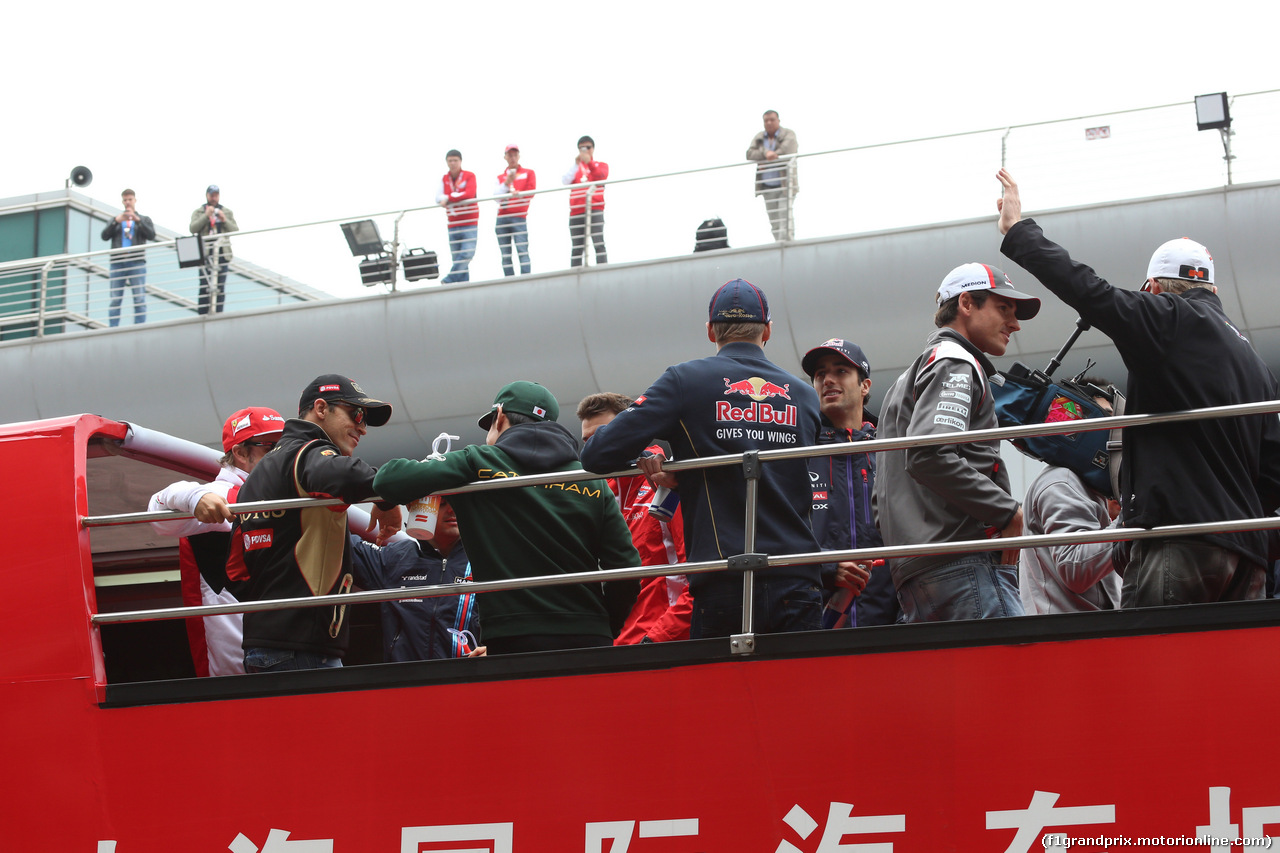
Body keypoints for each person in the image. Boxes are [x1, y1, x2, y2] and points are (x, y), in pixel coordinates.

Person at [997, 168, 1280, 608]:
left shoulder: (1167, 318)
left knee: (1152, 672)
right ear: (1213, 287)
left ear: (1152, 289)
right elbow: (1273, 474)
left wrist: (1018, 231)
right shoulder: (1255, 364)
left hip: (1179, 542)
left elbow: (1088, 289)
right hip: (1249, 559)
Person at [581, 279, 825, 638]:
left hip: (722, 580)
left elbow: (598, 453)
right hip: (798, 579)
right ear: (769, 331)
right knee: (797, 694)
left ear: (711, 331)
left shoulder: (685, 380)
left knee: (724, 695)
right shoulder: (804, 396)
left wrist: (662, 456)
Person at [374, 381, 640, 655]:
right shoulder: (588, 479)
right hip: (590, 635)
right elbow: (626, 566)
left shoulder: (477, 462)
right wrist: (606, 624)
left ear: (499, 416)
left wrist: (387, 504)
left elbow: (389, 479)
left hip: (513, 637)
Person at [874, 262, 1041, 623]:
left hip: (918, 573)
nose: (1014, 324)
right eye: (1003, 309)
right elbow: (929, 455)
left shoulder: (907, 377)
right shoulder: (954, 361)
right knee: (1012, 676)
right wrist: (1008, 513)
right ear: (966, 303)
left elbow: (881, 494)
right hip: (961, 564)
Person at [230, 375, 402, 673]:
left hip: (263, 646)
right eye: (357, 414)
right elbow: (348, 476)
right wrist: (388, 499)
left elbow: (236, 572)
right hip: (302, 650)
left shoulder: (257, 475)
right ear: (321, 408)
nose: (362, 427)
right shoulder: (308, 453)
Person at [149, 406, 286, 676]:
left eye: (285, 446)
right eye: (270, 446)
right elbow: (157, 513)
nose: (281, 455)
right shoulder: (218, 494)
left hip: (287, 654)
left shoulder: (286, 492)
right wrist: (193, 497)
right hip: (239, 671)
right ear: (240, 453)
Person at [577, 392, 692, 644]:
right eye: (587, 441)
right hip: (616, 641)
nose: (594, 446)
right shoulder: (596, 491)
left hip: (663, 641)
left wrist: (659, 638)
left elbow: (698, 572)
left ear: (632, 430)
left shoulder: (668, 479)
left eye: (602, 434)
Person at [801, 338, 899, 627]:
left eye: (841, 371)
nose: (828, 379)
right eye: (820, 374)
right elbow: (775, 534)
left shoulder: (892, 449)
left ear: (865, 385)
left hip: (893, 626)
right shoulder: (797, 453)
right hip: (815, 626)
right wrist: (828, 567)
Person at [1019, 380, 1125, 614]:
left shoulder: (1086, 486)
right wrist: (1132, 519)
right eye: (1106, 417)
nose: (1116, 430)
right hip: (1065, 639)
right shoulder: (1062, 481)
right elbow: (1075, 569)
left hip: (1086, 635)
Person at [349, 499, 485, 660]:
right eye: (441, 503)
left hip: (472, 681)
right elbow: (334, 539)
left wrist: (497, 652)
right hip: (406, 681)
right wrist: (384, 502)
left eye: (458, 501)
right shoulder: (394, 558)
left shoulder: (488, 560)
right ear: (414, 506)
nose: (452, 510)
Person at [101, 188, 156, 327]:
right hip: (118, 262)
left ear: (135, 200)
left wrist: (138, 221)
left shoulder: (143, 219)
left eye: (130, 199)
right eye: (125, 200)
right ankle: (113, 327)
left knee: (139, 298)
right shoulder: (117, 220)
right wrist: (115, 221)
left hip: (136, 262)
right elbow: (104, 236)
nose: (127, 203)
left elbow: (151, 235)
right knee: (115, 299)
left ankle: (139, 326)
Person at [745, 110, 798, 242]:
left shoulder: (789, 134)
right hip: (767, 187)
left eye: (772, 120)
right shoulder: (759, 138)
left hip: (784, 185)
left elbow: (787, 151)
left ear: (778, 121)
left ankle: (786, 246)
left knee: (785, 218)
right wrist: (766, 154)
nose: (769, 123)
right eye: (766, 120)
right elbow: (750, 154)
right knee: (774, 221)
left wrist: (768, 158)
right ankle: (778, 245)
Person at [188, 184, 238, 315]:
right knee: (204, 284)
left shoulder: (226, 211)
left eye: (216, 195)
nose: (213, 197)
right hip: (205, 253)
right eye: (211, 195)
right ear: (207, 196)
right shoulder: (199, 212)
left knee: (220, 285)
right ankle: (203, 314)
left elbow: (235, 230)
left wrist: (224, 219)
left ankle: (218, 313)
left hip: (222, 253)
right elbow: (193, 228)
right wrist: (206, 216)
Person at [562, 135, 608, 267]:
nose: (585, 150)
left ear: (593, 149)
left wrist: (590, 163)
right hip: (576, 210)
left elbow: (601, 176)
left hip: (595, 208)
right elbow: (565, 181)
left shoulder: (601, 165)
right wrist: (576, 164)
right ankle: (575, 274)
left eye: (588, 147)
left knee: (598, 242)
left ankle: (603, 269)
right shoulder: (576, 168)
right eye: (582, 148)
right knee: (577, 247)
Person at [437, 150, 479, 283]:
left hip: (469, 221)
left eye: (455, 160)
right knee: (458, 258)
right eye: (450, 160)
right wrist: (454, 197)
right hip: (453, 223)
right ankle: (463, 286)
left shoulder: (469, 176)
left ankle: (450, 279)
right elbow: (437, 198)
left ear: (460, 161)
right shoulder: (444, 178)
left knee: (467, 254)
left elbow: (469, 194)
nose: (453, 163)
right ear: (447, 162)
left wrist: (449, 198)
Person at [494, 144, 535, 277]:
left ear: (519, 156)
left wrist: (518, 195)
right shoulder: (501, 177)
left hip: (519, 217)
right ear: (505, 157)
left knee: (522, 251)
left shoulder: (528, 172)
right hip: (502, 218)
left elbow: (530, 192)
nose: (512, 158)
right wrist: (507, 184)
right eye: (509, 155)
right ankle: (509, 280)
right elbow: (496, 198)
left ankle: (525, 279)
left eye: (514, 155)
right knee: (506, 255)